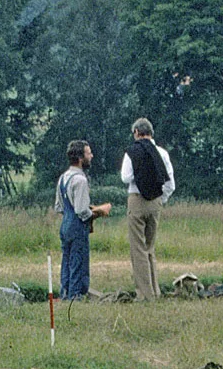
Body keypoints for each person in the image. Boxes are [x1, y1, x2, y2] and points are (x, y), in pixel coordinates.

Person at [121, 118, 174, 303]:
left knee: (138, 249)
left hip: (137, 199)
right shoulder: (162, 153)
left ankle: (144, 294)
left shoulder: (131, 152)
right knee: (150, 248)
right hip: (156, 202)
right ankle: (155, 290)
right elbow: (170, 183)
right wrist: (161, 200)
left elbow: (125, 177)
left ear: (136, 132)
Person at [54, 139, 111, 302]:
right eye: (88, 153)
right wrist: (100, 211)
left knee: (67, 261)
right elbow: (82, 211)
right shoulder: (80, 180)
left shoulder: (63, 178)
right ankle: (76, 296)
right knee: (78, 261)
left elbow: (59, 207)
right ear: (80, 158)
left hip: (65, 224)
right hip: (77, 226)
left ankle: (64, 293)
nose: (91, 156)